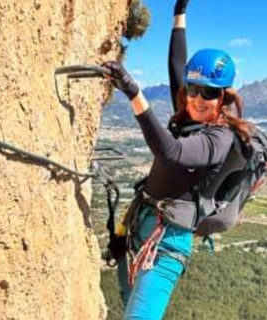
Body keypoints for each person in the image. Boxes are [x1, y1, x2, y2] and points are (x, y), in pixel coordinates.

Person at [103, 1, 254, 319]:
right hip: (142, 225)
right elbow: (177, 65)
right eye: (194, 89)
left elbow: (171, 154)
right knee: (126, 300)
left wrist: (134, 93)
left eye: (209, 92)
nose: (198, 98)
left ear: (223, 97)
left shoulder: (220, 138)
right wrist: (179, 13)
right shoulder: (188, 112)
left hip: (168, 242)